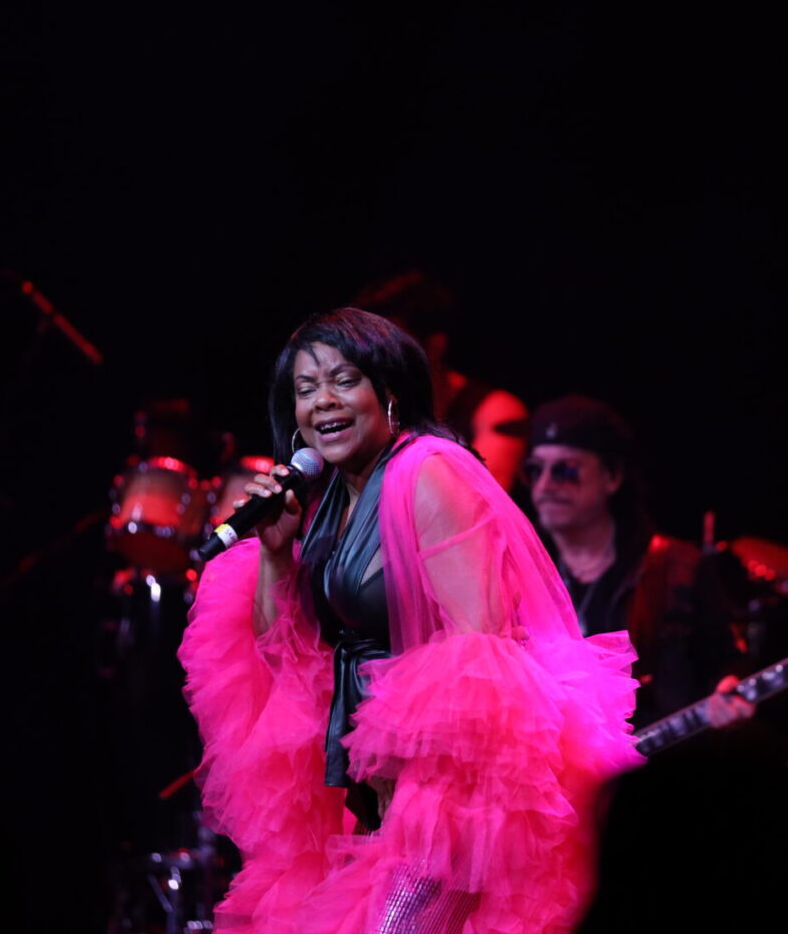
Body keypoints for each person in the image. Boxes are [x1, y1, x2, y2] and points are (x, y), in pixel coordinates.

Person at [176, 308, 642, 933]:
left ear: (389, 392)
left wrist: (417, 792)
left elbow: (481, 656)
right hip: (372, 791)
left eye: (343, 380)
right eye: (306, 389)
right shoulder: (331, 497)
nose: (322, 403)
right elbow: (280, 652)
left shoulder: (429, 470)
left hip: (450, 794)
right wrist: (276, 552)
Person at [524, 394, 748, 730]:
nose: (544, 486)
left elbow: (727, 664)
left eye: (565, 471)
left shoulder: (677, 567)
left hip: (659, 770)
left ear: (612, 477)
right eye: (534, 470)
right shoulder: (520, 573)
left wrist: (729, 688)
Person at [352, 271, 530, 492]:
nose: (375, 358)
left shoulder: (494, 409)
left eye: (390, 346)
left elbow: (480, 497)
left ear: (434, 347)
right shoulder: (371, 410)